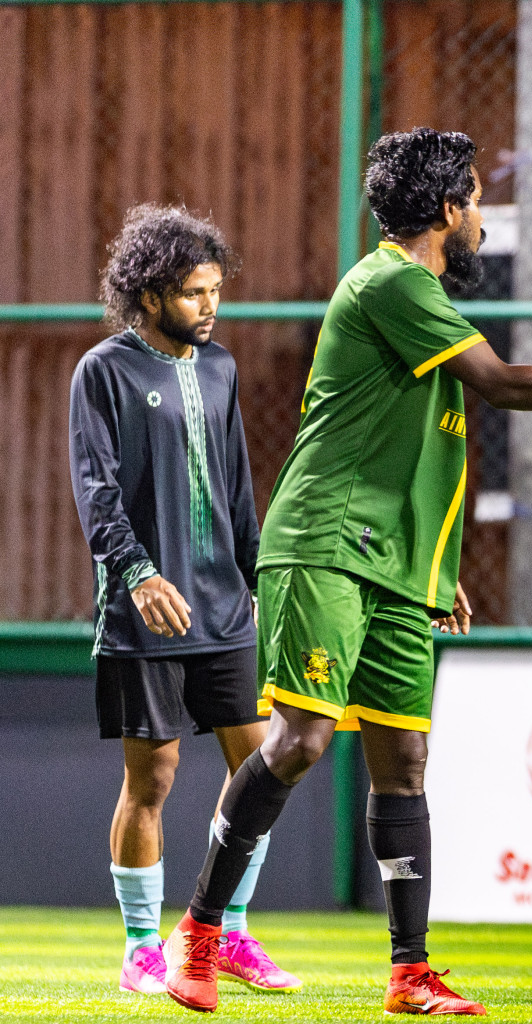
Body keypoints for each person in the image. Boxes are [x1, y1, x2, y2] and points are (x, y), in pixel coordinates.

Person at [161, 129, 532, 1015]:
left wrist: (436, 563)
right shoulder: (393, 280)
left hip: (395, 559)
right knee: (303, 740)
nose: (482, 220)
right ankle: (197, 932)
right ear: (446, 210)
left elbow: (416, 436)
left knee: (404, 759)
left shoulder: (414, 291)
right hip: (325, 542)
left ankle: (409, 973)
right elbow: (500, 384)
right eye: (474, 200)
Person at [68, 205, 302, 997]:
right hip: (145, 611)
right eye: (196, 293)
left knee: (262, 761)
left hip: (225, 607)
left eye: (215, 290)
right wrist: (137, 573)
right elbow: (95, 492)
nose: (211, 306)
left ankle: (226, 932)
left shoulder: (222, 367)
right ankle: (140, 946)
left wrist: (261, 579)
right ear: (149, 292)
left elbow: (238, 489)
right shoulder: (103, 370)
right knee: (154, 779)